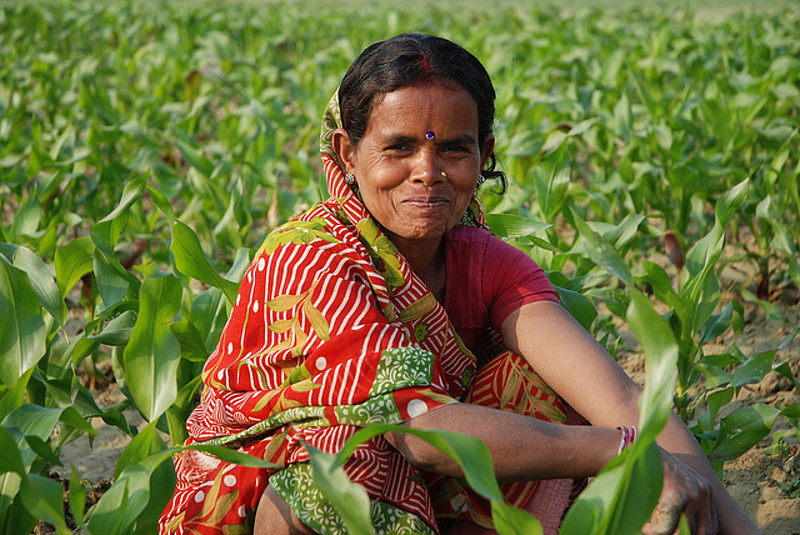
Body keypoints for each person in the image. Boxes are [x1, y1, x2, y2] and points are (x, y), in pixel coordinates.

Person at [159, 34, 758, 535]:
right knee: (344, 458)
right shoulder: (311, 258)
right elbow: (418, 430)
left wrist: (727, 516)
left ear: (484, 154)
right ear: (347, 152)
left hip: (430, 487)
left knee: (536, 390)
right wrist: (621, 448)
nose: (427, 172)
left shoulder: (488, 263)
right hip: (255, 493)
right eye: (396, 148)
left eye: (454, 149)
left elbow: (622, 401)